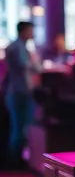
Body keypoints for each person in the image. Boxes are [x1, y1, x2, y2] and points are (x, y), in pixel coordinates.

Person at [4, 21, 42, 165]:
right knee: (20, 127)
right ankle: (15, 161)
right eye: (31, 30)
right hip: (19, 92)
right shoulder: (16, 47)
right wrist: (34, 60)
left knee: (21, 126)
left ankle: (16, 160)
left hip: (19, 91)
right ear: (24, 31)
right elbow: (26, 65)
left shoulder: (19, 46)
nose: (32, 34)